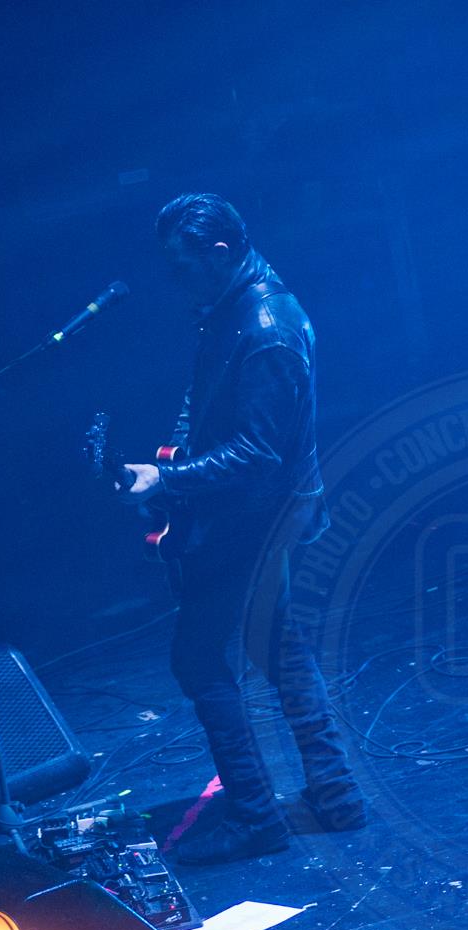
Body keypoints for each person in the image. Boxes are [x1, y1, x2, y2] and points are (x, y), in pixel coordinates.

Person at [116, 193, 363, 863]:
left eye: (182, 265)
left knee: (197, 658)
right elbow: (202, 406)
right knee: (278, 646)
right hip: (258, 510)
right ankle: (337, 796)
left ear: (220, 253)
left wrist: (168, 479)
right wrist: (171, 462)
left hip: (258, 517)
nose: (175, 280)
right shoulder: (229, 308)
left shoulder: (266, 328)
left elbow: (258, 453)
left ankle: (257, 816)